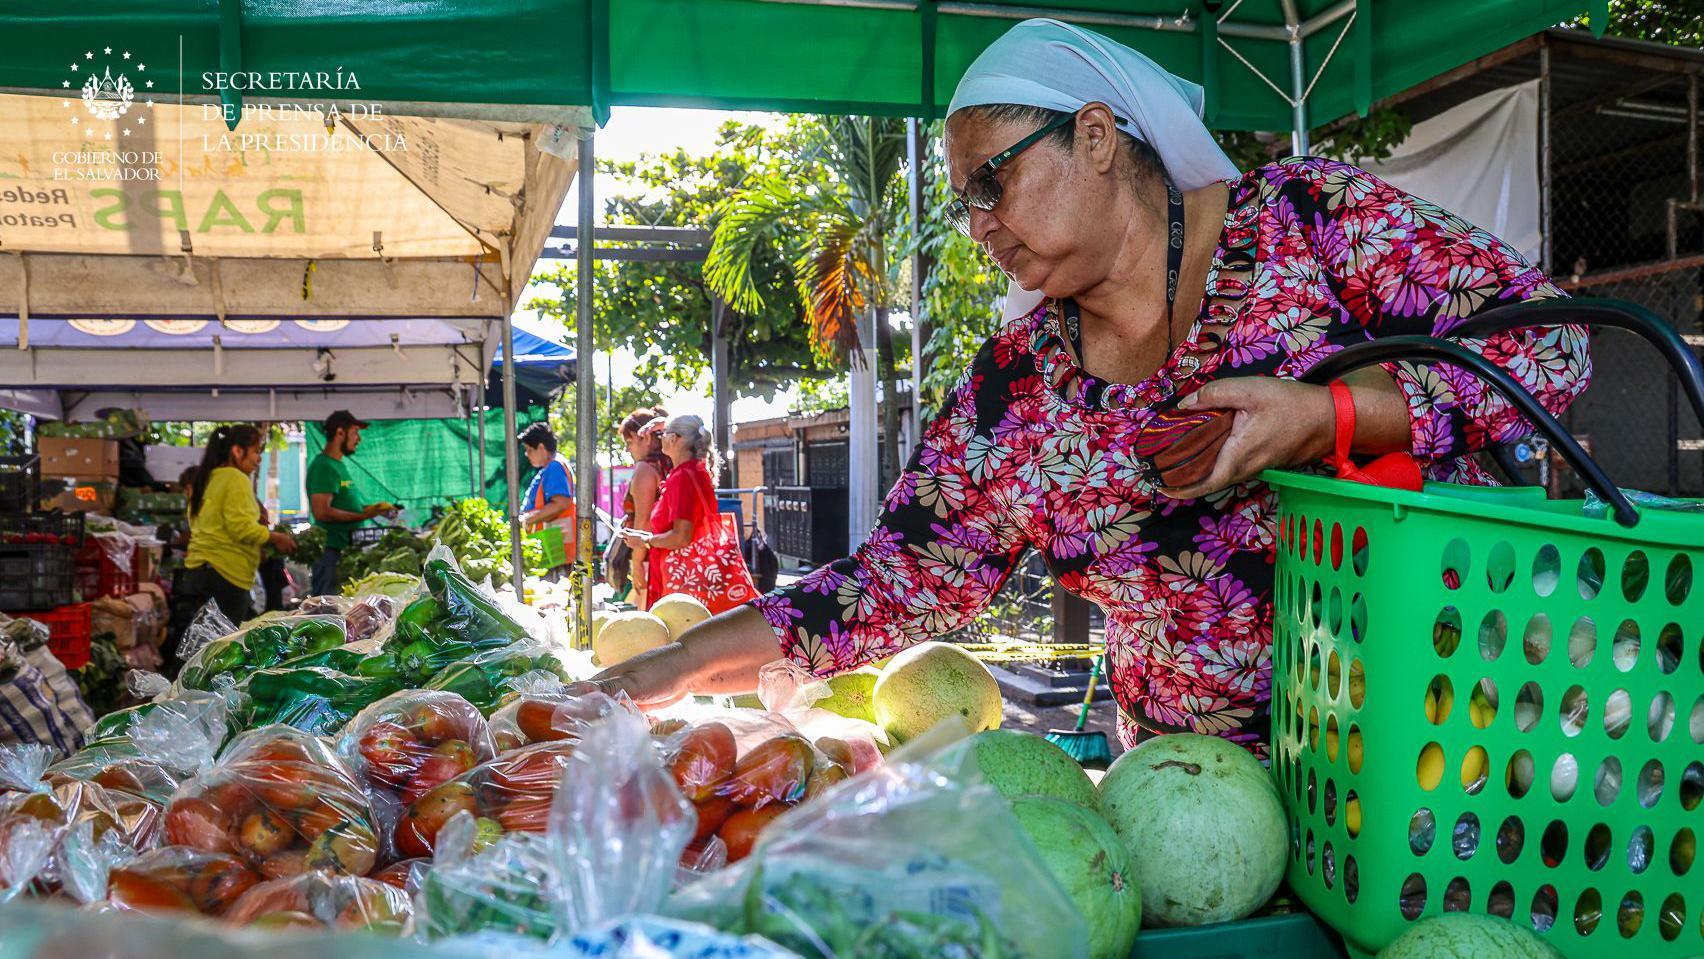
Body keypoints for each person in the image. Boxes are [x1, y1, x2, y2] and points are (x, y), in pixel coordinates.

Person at [584, 19, 1589, 756]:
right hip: (1204, 799)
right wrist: (663, 672)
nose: (978, 224)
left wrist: (1329, 414)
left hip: (1450, 735)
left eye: (991, 182)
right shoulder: (1017, 394)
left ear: (1097, 137)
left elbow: (1555, 346)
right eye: (963, 201)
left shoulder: (1306, 223)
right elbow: (891, 580)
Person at [620, 415, 757, 615]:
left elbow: (681, 536)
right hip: (696, 577)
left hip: (682, 582)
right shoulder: (696, 471)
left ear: (674, 439)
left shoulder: (682, 477)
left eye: (663, 434)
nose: (660, 439)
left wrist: (645, 540)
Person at [179, 425, 296, 628]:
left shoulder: (210, 478)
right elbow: (241, 528)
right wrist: (276, 538)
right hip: (225, 576)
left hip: (199, 573)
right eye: (256, 451)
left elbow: (209, 523)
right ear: (237, 451)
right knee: (220, 650)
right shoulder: (235, 478)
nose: (258, 459)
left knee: (200, 647)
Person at [306, 410, 393, 597]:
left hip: (343, 550)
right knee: (326, 607)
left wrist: (375, 509)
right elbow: (322, 512)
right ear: (340, 433)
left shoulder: (338, 465)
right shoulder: (323, 466)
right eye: (355, 432)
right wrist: (363, 515)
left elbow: (347, 505)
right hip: (331, 552)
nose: (358, 439)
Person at [609, 406, 672, 606]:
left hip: (648, 557)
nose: (628, 449)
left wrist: (636, 564)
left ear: (645, 438)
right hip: (663, 551)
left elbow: (643, 522)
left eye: (629, 442)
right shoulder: (668, 465)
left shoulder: (645, 469)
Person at [518, 422, 576, 581]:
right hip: (553, 550)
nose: (526, 454)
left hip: (556, 551)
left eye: (529, 449)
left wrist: (527, 519)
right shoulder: (553, 466)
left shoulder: (555, 466)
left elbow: (562, 503)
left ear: (541, 447)